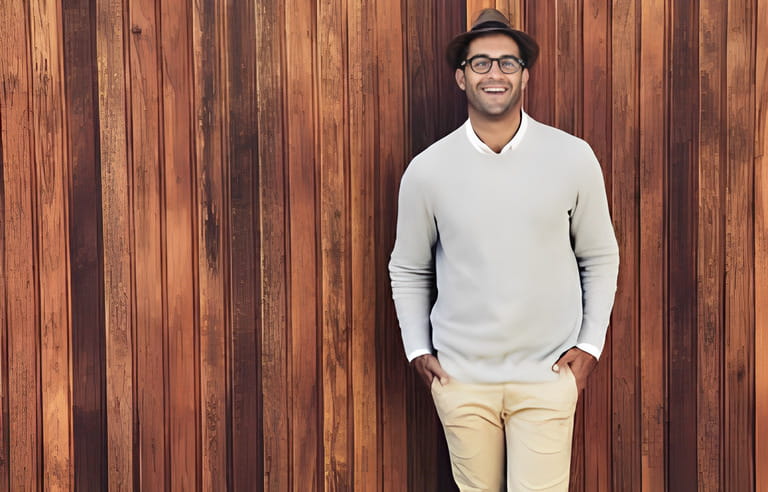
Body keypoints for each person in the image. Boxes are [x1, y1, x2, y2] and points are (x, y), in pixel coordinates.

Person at [388, 8, 620, 491]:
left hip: (546, 377)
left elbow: (599, 255)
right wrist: (417, 349)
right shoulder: (428, 170)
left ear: (525, 74)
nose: (494, 73)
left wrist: (591, 346)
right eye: (481, 63)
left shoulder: (572, 157)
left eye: (507, 63)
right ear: (461, 77)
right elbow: (408, 267)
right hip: (462, 380)